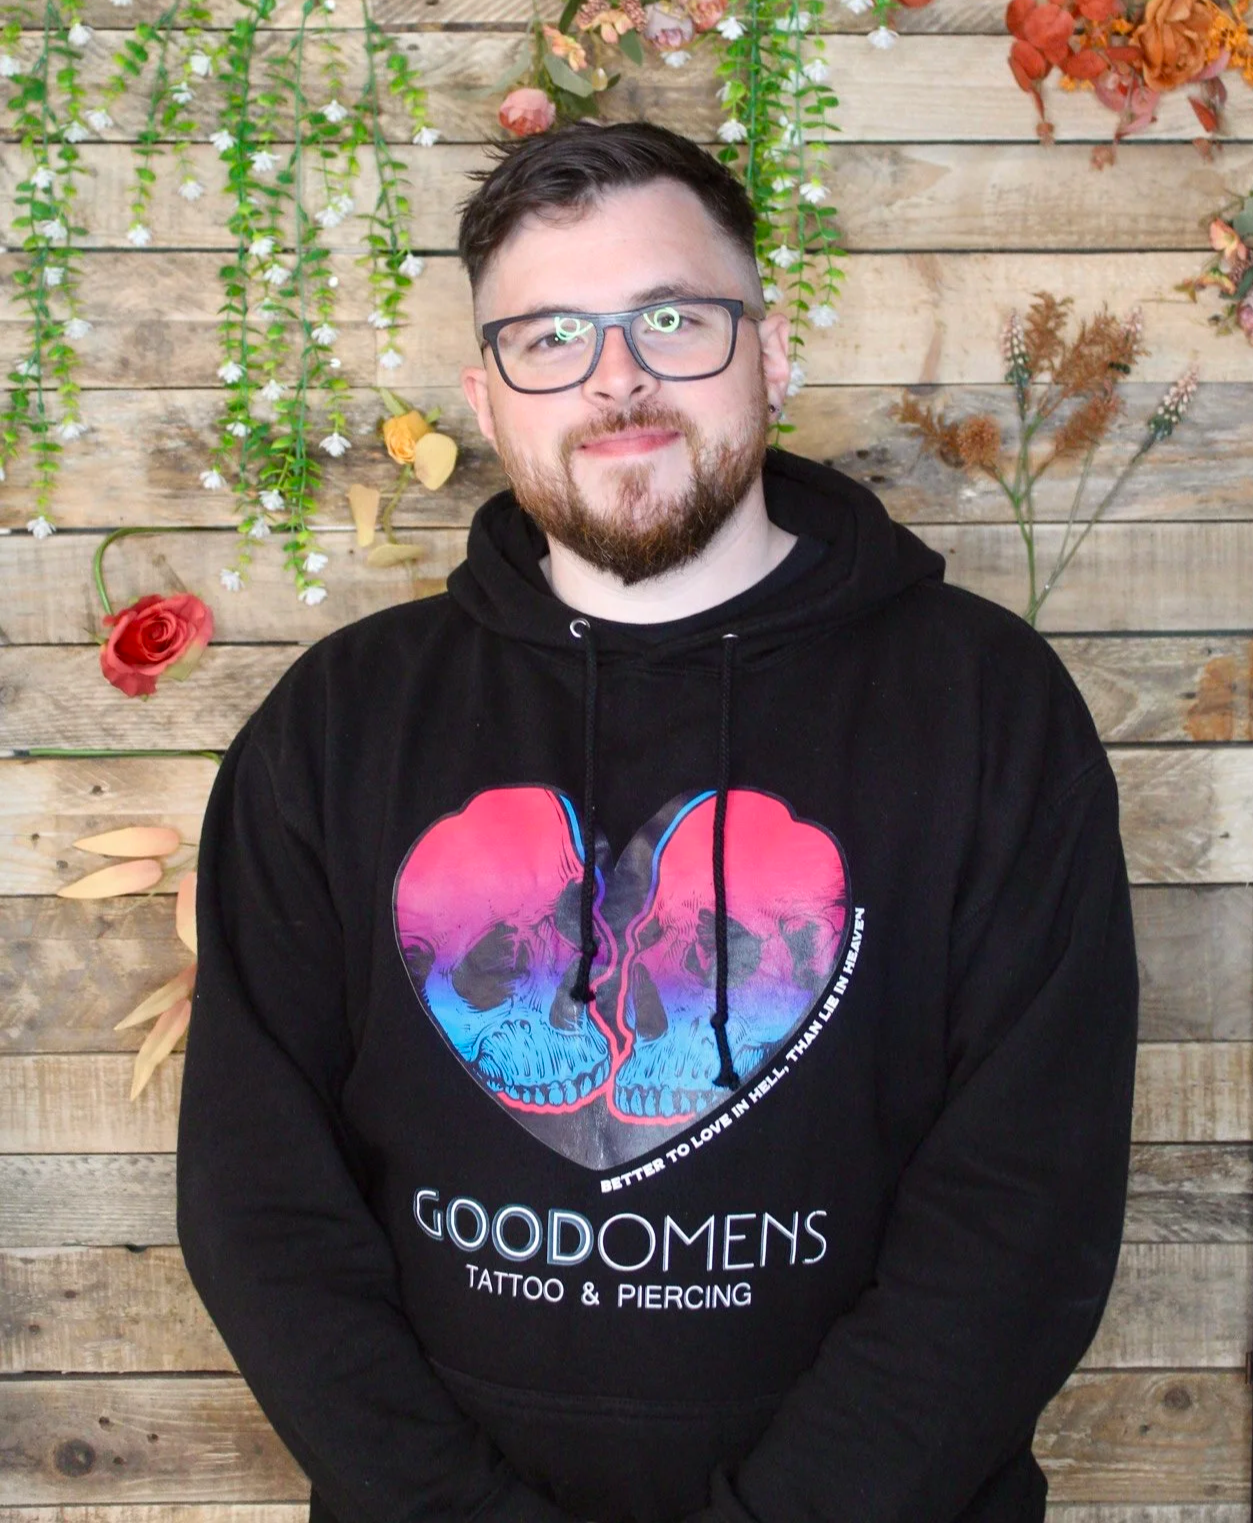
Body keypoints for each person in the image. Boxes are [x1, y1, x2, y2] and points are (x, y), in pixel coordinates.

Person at [176, 118, 1139, 1523]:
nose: (617, 378)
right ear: (488, 395)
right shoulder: (335, 727)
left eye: (673, 318)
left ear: (773, 348)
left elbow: (1021, 1217)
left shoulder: (989, 708)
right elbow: (260, 1207)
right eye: (550, 336)